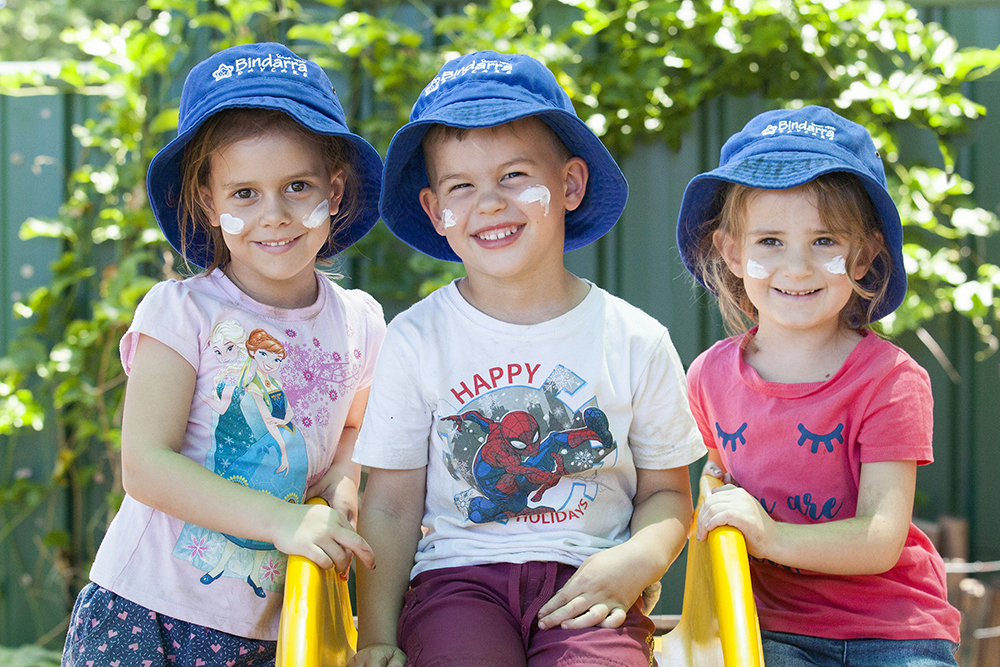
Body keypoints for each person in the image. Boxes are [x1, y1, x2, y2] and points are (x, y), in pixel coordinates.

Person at [350, 51, 707, 667]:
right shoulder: (416, 339)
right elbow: (389, 504)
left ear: (569, 185)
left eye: (514, 175)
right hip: (456, 585)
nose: (489, 202)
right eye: (462, 186)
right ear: (437, 212)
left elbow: (668, 493)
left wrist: (633, 564)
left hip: (586, 584)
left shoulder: (634, 339)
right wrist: (377, 638)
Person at [61, 42, 387, 667]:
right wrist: (280, 520)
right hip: (148, 617)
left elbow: (354, 429)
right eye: (244, 193)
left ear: (335, 190)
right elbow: (146, 466)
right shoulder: (182, 313)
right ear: (208, 201)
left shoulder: (361, 324)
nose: (275, 215)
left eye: (297, 186)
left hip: (276, 628)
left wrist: (342, 491)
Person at [676, 105, 962, 666]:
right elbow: (715, 488)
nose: (798, 267)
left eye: (825, 240)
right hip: (769, 628)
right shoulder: (709, 377)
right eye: (770, 242)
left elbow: (880, 539)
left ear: (865, 253)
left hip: (894, 629)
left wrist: (773, 538)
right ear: (732, 252)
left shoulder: (892, 381)